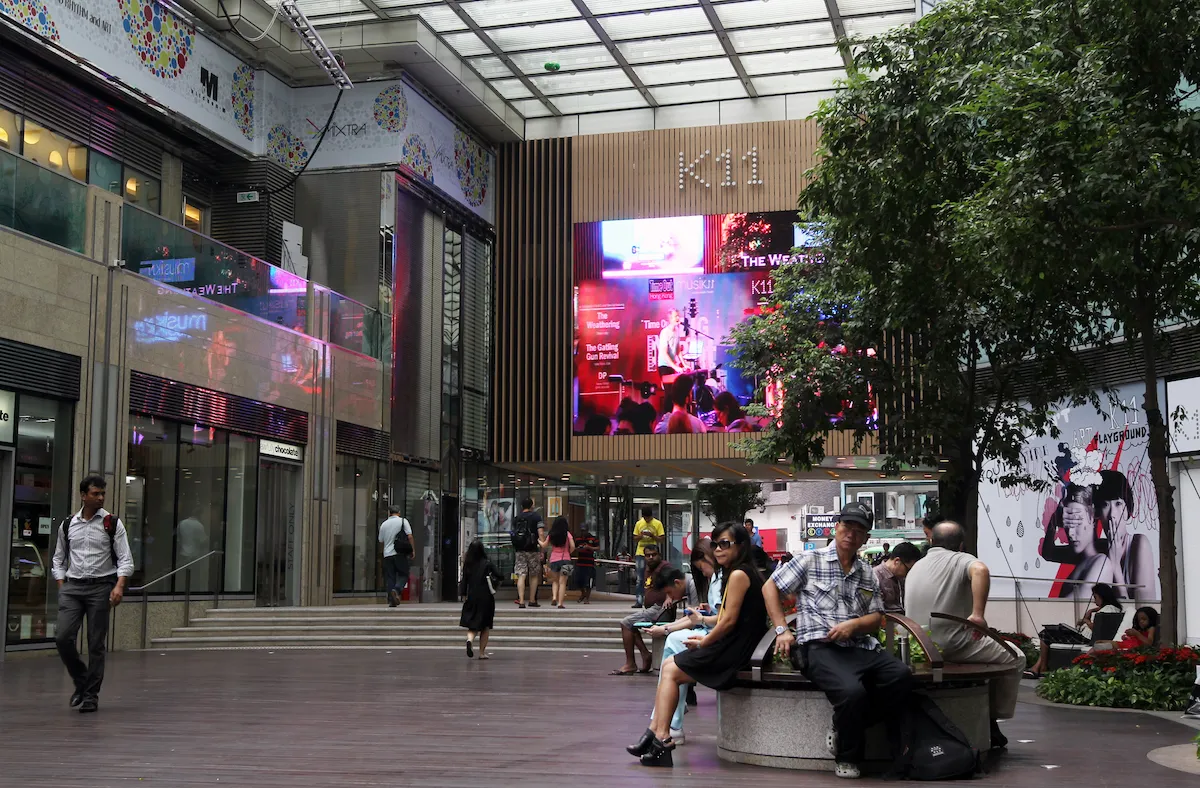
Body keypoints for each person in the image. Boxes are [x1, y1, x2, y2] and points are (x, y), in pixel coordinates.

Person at [764, 502, 913, 779]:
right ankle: (847, 755)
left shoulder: (867, 572)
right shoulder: (810, 560)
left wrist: (854, 625)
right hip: (820, 647)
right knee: (852, 692)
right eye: (847, 526)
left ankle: (843, 725)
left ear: (866, 538)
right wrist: (782, 629)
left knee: (902, 676)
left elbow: (876, 618)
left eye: (859, 531)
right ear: (836, 527)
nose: (851, 534)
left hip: (859, 646)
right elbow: (770, 586)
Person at [626, 522, 767, 767]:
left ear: (742, 546)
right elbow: (725, 618)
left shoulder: (738, 575)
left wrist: (705, 642)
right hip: (736, 645)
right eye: (715, 544)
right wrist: (704, 627)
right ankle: (657, 735)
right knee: (670, 665)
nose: (718, 550)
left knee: (670, 669)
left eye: (725, 544)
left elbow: (728, 621)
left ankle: (661, 739)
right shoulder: (742, 573)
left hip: (734, 650)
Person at [904, 521, 1024, 750]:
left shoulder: (917, 566)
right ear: (960, 545)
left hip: (917, 644)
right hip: (952, 644)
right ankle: (992, 722)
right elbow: (980, 570)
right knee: (1016, 657)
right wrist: (978, 615)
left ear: (931, 541)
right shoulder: (960, 559)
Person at [51, 475, 135, 713]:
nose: (100, 497)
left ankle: (90, 696)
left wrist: (119, 586)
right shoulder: (68, 525)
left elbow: (125, 559)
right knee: (63, 638)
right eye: (95, 493)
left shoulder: (112, 523)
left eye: (102, 493)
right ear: (83, 495)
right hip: (73, 587)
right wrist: (62, 586)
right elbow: (58, 558)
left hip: (101, 587)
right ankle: (81, 679)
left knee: (95, 643)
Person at [645, 542, 719, 745]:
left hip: (716, 636)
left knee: (673, 645)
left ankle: (665, 721)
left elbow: (713, 618)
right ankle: (666, 719)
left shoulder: (710, 581)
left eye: (701, 567)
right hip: (711, 631)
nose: (702, 572)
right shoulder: (713, 579)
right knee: (672, 653)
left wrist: (667, 628)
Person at [1025, 582, 1123, 678]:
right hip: (1082, 636)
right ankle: (1038, 667)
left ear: (1102, 596)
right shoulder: (1107, 608)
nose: (1094, 601)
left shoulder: (1110, 609)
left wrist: (1086, 621)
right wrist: (1091, 611)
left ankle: (1041, 668)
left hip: (1085, 638)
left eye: (1095, 597)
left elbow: (1098, 629)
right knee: (1046, 634)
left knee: (1045, 634)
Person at [1041, 484, 1115, 598]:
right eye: (1067, 525)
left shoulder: (1102, 559)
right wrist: (1054, 521)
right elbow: (1048, 553)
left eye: (1076, 524)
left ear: (1091, 516)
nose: (1070, 533)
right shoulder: (1080, 556)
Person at [612, 545, 672, 675]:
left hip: (660, 609)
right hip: (651, 608)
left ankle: (630, 664)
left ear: (659, 555)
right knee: (630, 626)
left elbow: (673, 582)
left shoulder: (664, 567)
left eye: (654, 554)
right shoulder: (647, 568)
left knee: (625, 622)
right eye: (648, 555)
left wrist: (669, 597)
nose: (651, 557)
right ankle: (645, 655)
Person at [1094, 471, 1153, 600]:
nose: (1112, 514)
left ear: (1128, 510)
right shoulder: (1099, 547)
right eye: (1105, 505)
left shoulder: (1139, 544)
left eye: (1118, 504)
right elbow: (1049, 553)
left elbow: (1143, 613)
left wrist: (1115, 565)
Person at [459, 540, 502, 659]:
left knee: (473, 624)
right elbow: (499, 575)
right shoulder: (487, 563)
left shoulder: (468, 564)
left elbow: (464, 581)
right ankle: (482, 653)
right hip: (486, 597)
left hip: (472, 596)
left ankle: (470, 640)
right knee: (485, 626)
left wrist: (463, 594)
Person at [510, 498, 545, 609]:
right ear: (532, 505)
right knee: (534, 575)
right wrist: (542, 547)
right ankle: (532, 600)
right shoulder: (536, 517)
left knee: (521, 574)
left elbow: (513, 533)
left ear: (521, 506)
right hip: (532, 549)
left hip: (520, 550)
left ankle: (521, 601)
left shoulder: (516, 518)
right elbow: (541, 533)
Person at [378, 504, 413, 607]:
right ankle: (396, 590)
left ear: (389, 513)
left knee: (390, 577)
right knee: (404, 574)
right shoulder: (403, 521)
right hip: (400, 553)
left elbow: (381, 541)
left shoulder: (384, 524)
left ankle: (391, 599)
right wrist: (412, 550)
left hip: (387, 554)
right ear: (399, 512)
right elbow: (410, 536)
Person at [872, 542, 921, 614]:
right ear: (897, 561)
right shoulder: (875, 577)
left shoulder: (900, 578)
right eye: (908, 570)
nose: (908, 574)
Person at [632, 505, 665, 607]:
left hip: (653, 553)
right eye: (645, 518)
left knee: (654, 576)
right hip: (641, 553)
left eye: (648, 518)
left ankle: (653, 599)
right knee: (640, 578)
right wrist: (641, 536)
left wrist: (653, 536)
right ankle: (639, 600)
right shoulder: (639, 523)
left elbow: (662, 539)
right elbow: (634, 538)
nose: (647, 520)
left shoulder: (657, 523)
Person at [541, 516, 576, 609]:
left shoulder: (551, 534)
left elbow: (544, 545)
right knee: (563, 582)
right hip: (566, 560)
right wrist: (569, 552)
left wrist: (538, 540)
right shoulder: (567, 534)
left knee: (555, 581)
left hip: (554, 560)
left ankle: (554, 597)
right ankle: (560, 603)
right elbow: (573, 546)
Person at [573, 525, 600, 604]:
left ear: (587, 530)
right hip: (580, 562)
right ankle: (583, 594)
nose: (583, 532)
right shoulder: (578, 539)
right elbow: (574, 548)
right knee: (578, 580)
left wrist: (589, 547)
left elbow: (597, 548)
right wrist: (579, 549)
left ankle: (587, 598)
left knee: (588, 582)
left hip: (589, 563)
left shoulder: (593, 538)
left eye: (584, 530)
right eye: (582, 531)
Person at [657, 308, 686, 377]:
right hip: (664, 366)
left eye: (678, 316)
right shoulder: (665, 332)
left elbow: (678, 350)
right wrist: (675, 367)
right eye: (676, 316)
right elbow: (664, 353)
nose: (678, 318)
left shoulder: (677, 331)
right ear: (670, 318)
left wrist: (685, 364)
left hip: (671, 365)